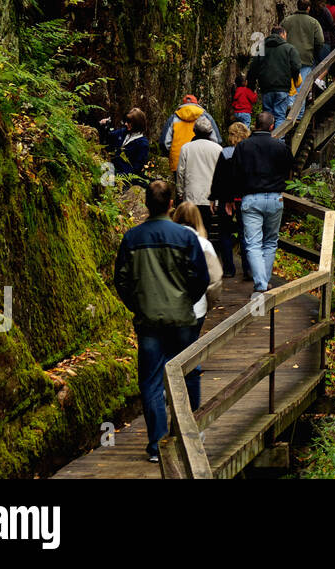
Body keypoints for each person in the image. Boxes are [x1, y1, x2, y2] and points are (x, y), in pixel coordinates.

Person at [113, 179, 208, 463]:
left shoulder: (132, 238)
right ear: (171, 203)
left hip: (149, 322)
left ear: (146, 204)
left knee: (152, 382)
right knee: (188, 373)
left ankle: (156, 445)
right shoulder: (186, 237)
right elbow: (200, 278)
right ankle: (188, 433)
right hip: (181, 320)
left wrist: (139, 304)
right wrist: (185, 302)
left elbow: (121, 280)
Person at [228, 111, 293, 295]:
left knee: (253, 243)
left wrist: (233, 196)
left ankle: (261, 284)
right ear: (272, 126)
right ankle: (263, 282)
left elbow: (235, 173)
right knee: (271, 241)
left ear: (255, 125)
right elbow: (290, 166)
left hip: (251, 197)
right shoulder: (280, 147)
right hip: (274, 197)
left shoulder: (243, 147)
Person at [170, 201, 223, 328]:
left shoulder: (167, 241)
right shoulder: (204, 244)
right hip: (196, 309)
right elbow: (215, 280)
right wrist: (207, 304)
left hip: (166, 308)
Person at [209, 122, 251, 279]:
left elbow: (218, 178)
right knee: (245, 233)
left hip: (225, 198)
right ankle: (248, 268)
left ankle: (228, 268)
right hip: (245, 198)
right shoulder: (249, 153)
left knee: (225, 233)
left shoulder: (225, 153)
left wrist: (213, 198)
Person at [176, 115, 223, 240]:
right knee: (205, 230)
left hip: (191, 195)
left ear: (194, 131)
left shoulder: (186, 148)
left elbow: (180, 172)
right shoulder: (218, 149)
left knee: (190, 229)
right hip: (209, 198)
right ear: (210, 132)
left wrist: (180, 192)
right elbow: (221, 175)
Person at [247, 25, 301, 128]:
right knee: (280, 116)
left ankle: (266, 138)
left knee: (267, 115)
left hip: (266, 88)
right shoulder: (289, 48)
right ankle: (278, 141)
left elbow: (253, 69)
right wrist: (294, 79)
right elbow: (296, 66)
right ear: (282, 34)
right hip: (282, 87)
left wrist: (251, 87)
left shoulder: (261, 49)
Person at [163, 95, 221, 173]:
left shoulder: (174, 118)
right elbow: (216, 140)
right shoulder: (205, 116)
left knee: (180, 184)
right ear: (196, 104)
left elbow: (165, 142)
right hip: (202, 161)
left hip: (178, 160)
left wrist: (172, 154)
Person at [283, 0, 324, 98]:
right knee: (301, 90)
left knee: (289, 87)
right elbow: (320, 41)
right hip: (306, 57)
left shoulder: (286, 21)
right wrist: (315, 52)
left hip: (288, 58)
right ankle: (299, 112)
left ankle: (290, 107)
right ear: (308, 8)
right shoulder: (313, 22)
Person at [98, 107, 149, 186]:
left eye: (129, 122)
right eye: (126, 121)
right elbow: (108, 138)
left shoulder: (143, 144)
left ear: (137, 124)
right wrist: (103, 126)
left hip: (124, 180)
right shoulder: (123, 132)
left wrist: (116, 176)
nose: (125, 124)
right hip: (111, 170)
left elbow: (136, 169)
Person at [308, 0, 335, 65]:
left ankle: (313, 77)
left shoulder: (309, 11)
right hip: (324, 39)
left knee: (313, 65)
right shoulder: (324, 10)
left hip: (310, 40)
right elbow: (331, 24)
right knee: (324, 65)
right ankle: (321, 77)